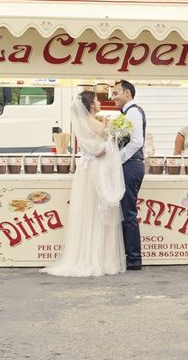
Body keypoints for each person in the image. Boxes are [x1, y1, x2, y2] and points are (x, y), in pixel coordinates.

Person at [42, 91, 126, 276]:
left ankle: (88, 255)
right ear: (90, 105)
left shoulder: (84, 123)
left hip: (87, 172)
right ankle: (100, 259)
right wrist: (110, 140)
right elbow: (98, 151)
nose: (99, 102)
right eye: (96, 100)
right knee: (98, 211)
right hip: (97, 171)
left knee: (89, 212)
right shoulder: (96, 124)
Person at [112, 80, 146, 271]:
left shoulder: (133, 112)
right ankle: (130, 256)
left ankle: (134, 259)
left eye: (116, 93)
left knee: (128, 212)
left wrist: (118, 159)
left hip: (130, 166)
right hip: (129, 165)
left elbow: (136, 142)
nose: (113, 97)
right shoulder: (127, 113)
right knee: (126, 211)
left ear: (127, 93)